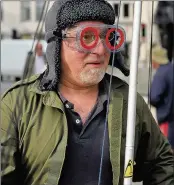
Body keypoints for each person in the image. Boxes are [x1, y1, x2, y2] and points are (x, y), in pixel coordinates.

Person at [1, 1, 174, 185]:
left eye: (107, 37)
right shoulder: (19, 102)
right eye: (87, 37)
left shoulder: (128, 100)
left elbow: (163, 164)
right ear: (57, 44)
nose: (100, 50)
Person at [150, 45, 174, 152]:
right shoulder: (171, 69)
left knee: (166, 151)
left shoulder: (161, 74)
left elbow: (154, 96)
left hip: (167, 119)